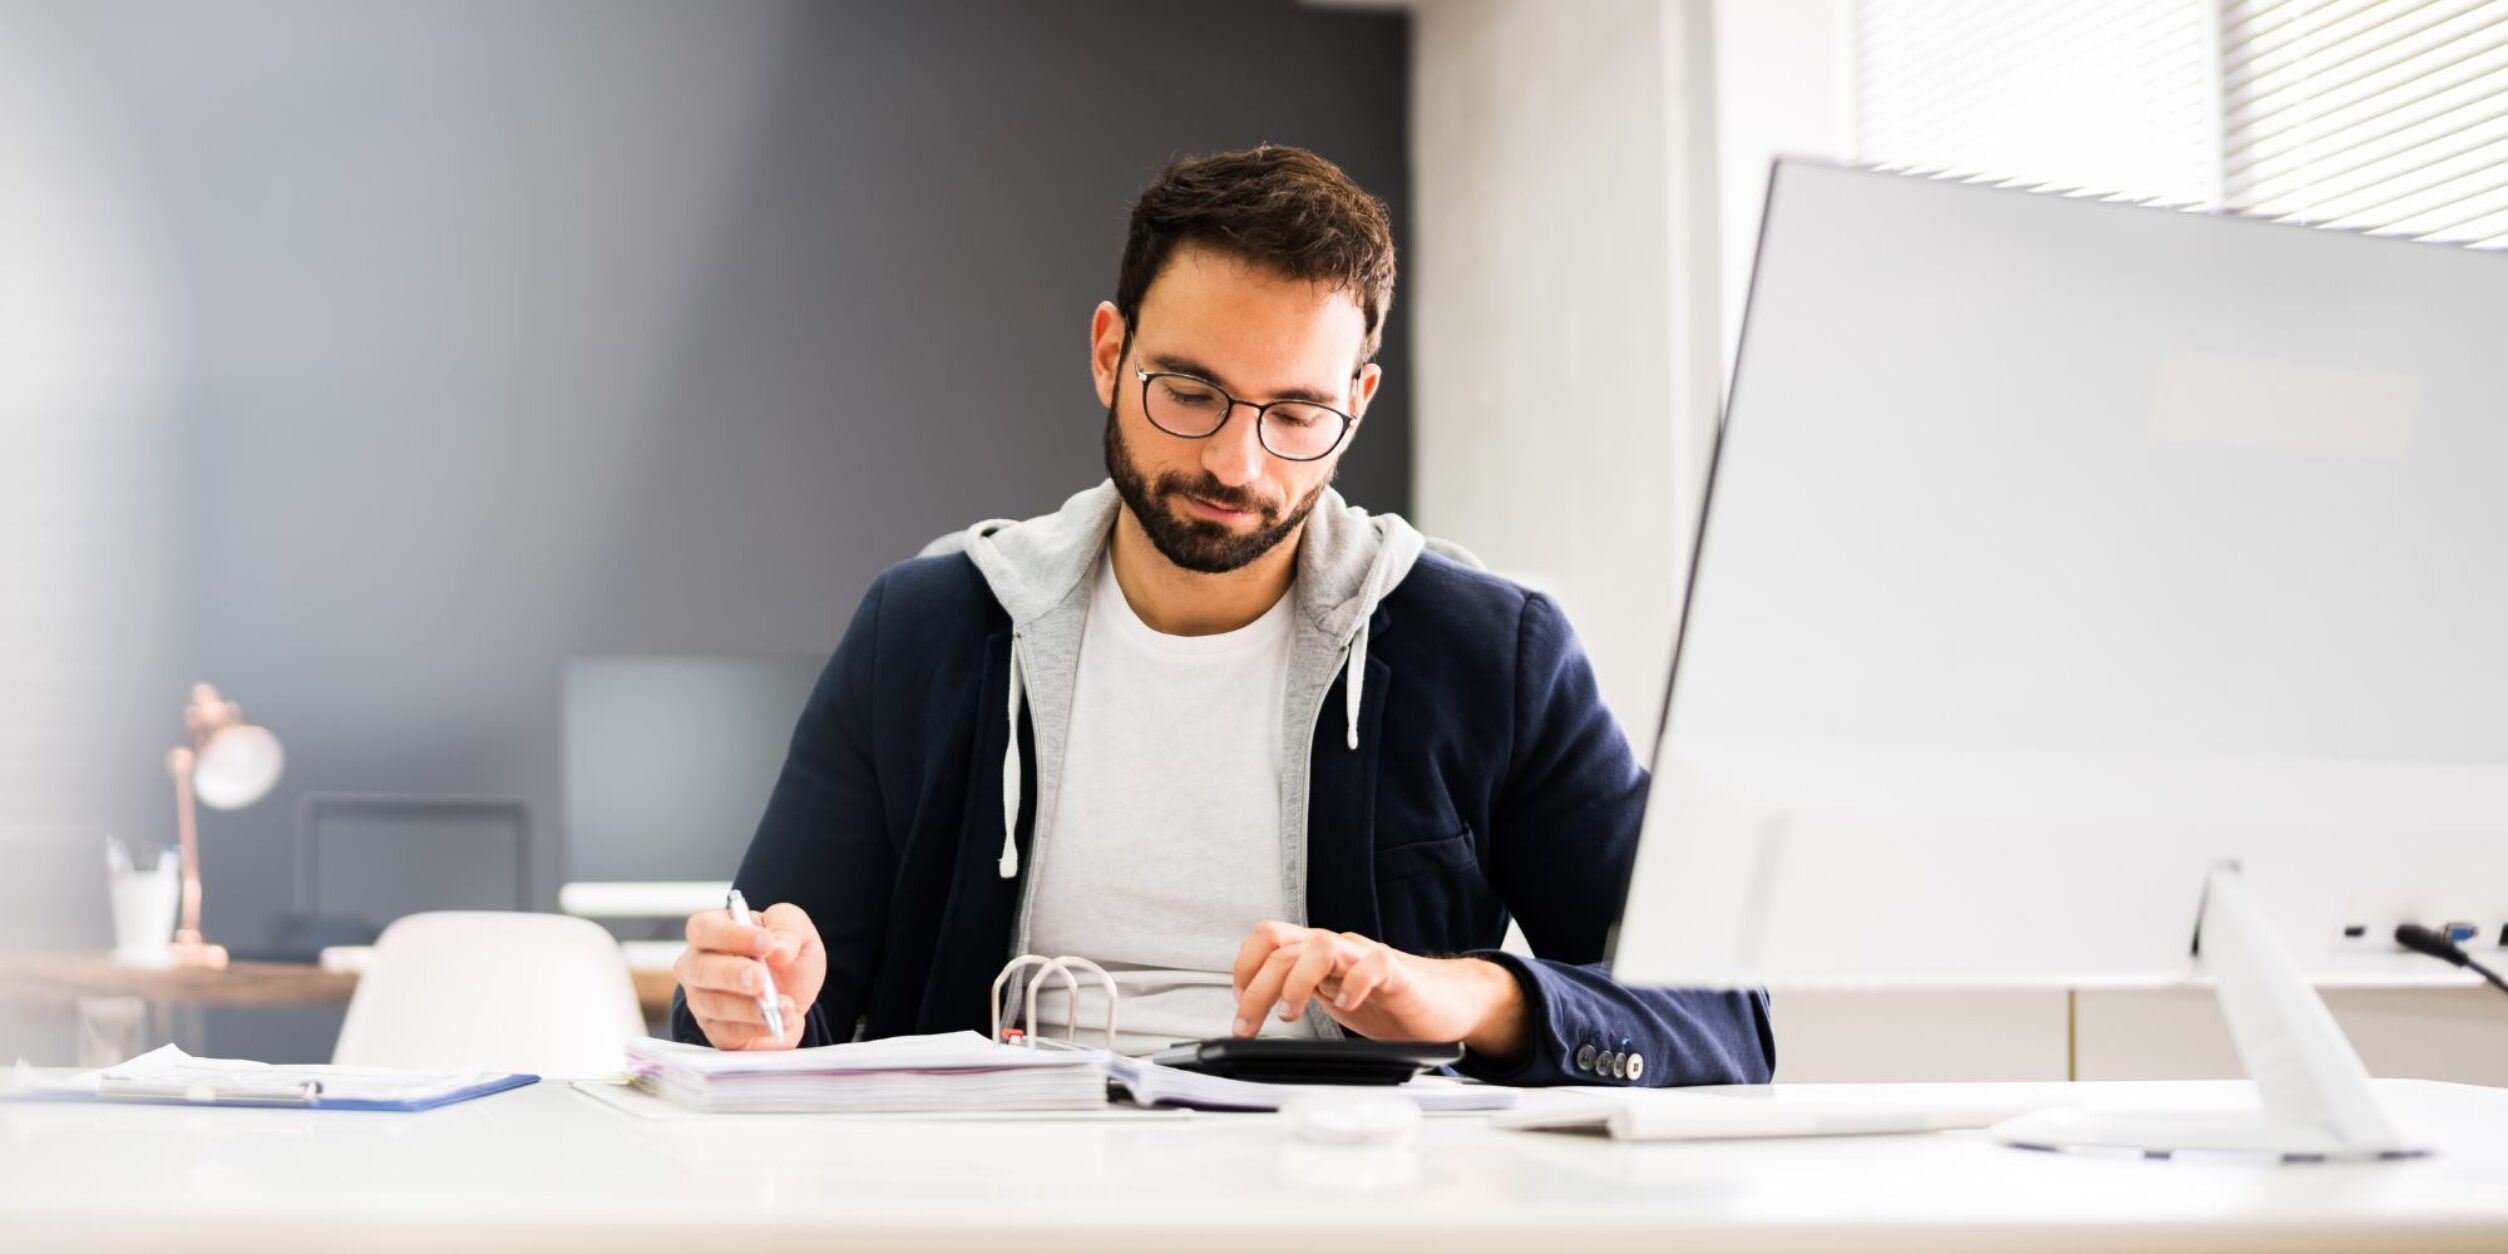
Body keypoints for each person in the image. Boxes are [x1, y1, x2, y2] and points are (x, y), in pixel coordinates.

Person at [670, 144, 1772, 1087]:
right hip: (988, 1194)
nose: (1234, 462)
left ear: (1356, 408)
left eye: (1295, 412)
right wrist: (747, 1001)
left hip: (1347, 1208)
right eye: (1188, 393)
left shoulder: (1493, 651)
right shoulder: (925, 631)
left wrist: (1463, 996)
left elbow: (1726, 1020)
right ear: (1110, 353)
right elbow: (741, 1017)